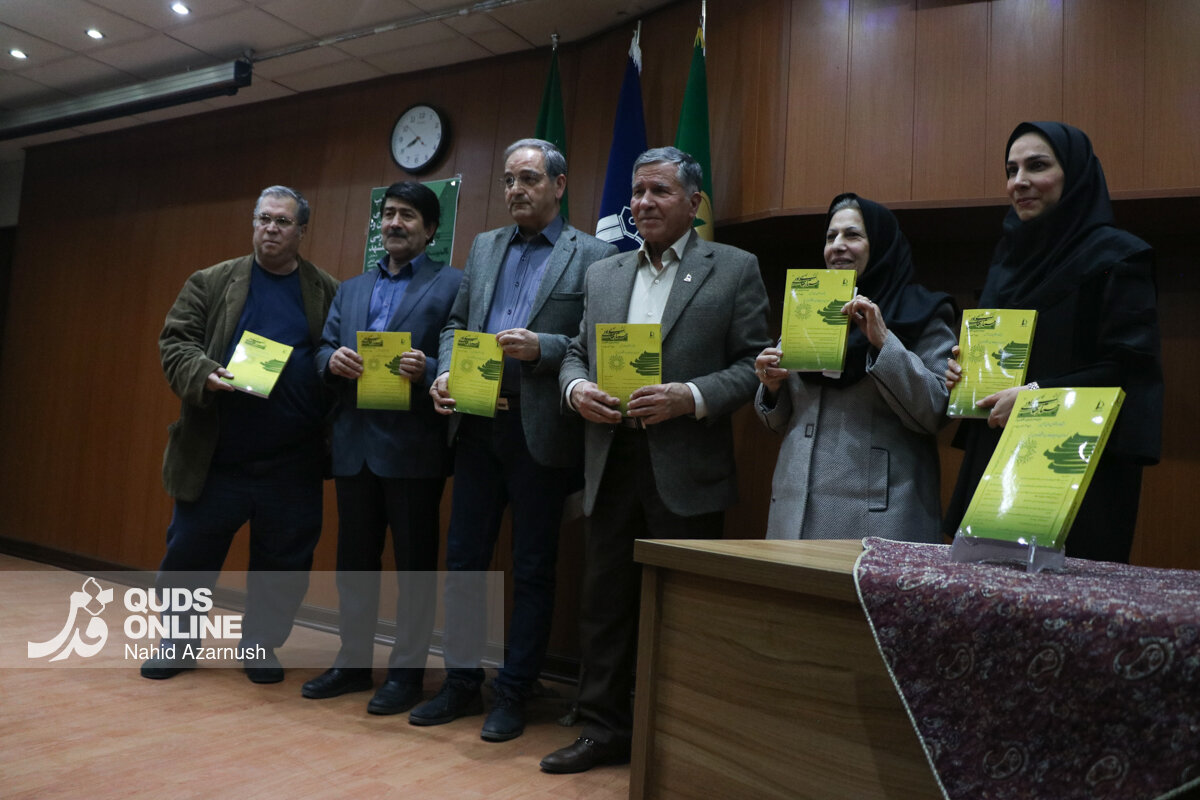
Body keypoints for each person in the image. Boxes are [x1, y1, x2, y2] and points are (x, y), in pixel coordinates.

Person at [542, 146, 771, 773]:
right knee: (605, 602)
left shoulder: (735, 268)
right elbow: (575, 352)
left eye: (659, 192)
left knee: (683, 607)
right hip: (611, 457)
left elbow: (753, 364)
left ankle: (679, 735)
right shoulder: (605, 272)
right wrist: (575, 388)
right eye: (637, 192)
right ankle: (602, 730)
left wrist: (688, 397)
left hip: (686, 466)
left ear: (693, 202)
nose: (643, 203)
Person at [411, 139, 617, 741]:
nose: (515, 190)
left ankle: (515, 689)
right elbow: (456, 323)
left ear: (559, 184)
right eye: (508, 180)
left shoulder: (595, 255)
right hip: (476, 423)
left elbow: (596, 340)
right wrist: (445, 371)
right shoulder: (484, 246)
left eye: (528, 178)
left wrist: (542, 348)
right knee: (464, 563)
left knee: (531, 568)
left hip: (541, 431)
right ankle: (459, 683)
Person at [144, 185, 339, 683]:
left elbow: (334, 355)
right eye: (263, 219)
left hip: (293, 461)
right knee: (188, 557)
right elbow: (175, 343)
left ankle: (259, 646)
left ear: (301, 231)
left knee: (284, 566)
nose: (270, 228)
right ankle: (177, 642)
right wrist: (204, 372)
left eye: (282, 221)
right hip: (218, 456)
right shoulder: (210, 282)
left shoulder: (325, 289)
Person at [943, 121, 1163, 563]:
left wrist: (1034, 395)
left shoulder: (1119, 257)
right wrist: (966, 373)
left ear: (1075, 174)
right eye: (1011, 170)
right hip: (997, 456)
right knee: (979, 594)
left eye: (1037, 166)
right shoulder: (1007, 261)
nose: (1019, 181)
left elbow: (1128, 368)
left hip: (1074, 464)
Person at [301, 182, 462, 714]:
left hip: (414, 450)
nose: (394, 223)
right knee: (354, 566)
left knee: (414, 569)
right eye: (389, 213)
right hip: (354, 446)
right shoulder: (351, 288)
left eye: (408, 215)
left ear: (430, 229)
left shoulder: (453, 284)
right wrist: (331, 361)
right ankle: (351, 664)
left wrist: (429, 368)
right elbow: (322, 348)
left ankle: (407, 676)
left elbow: (460, 352)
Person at [753, 193, 956, 542]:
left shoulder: (921, 311)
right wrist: (771, 387)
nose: (837, 246)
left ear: (880, 244)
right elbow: (781, 419)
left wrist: (884, 342)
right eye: (830, 237)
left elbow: (935, 410)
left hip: (877, 514)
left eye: (852, 235)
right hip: (793, 506)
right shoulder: (809, 305)